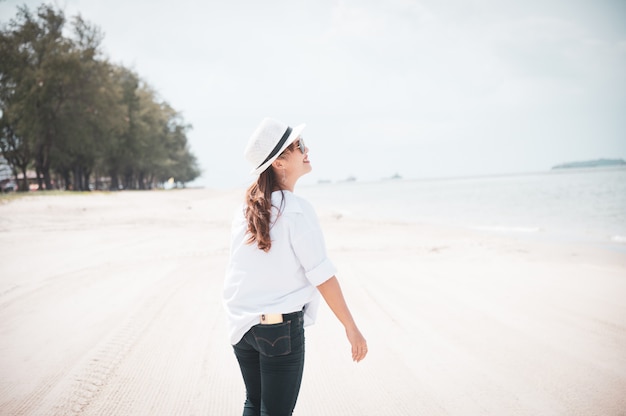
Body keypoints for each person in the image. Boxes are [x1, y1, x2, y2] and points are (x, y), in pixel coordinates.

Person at [223, 117, 368, 415]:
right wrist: (351, 327)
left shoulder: (244, 211)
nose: (307, 149)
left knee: (254, 402)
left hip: (241, 326)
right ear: (279, 162)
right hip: (278, 329)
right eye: (299, 145)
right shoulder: (296, 210)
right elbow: (322, 275)